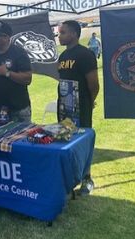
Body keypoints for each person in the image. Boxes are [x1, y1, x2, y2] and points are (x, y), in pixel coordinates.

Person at [56, 20, 100, 196]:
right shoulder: (63, 56)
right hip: (64, 108)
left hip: (81, 108)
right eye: (59, 33)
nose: (59, 36)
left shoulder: (85, 54)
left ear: (74, 34)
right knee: (66, 140)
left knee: (83, 141)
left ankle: (87, 178)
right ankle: (71, 176)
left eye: (63, 32)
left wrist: (88, 102)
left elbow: (94, 85)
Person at [0, 20, 33, 122]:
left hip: (19, 109)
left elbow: (27, 79)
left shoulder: (19, 53)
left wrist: (7, 73)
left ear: (6, 37)